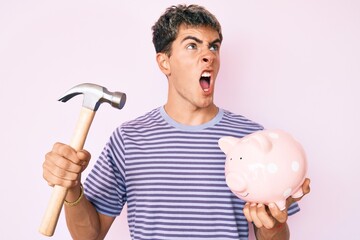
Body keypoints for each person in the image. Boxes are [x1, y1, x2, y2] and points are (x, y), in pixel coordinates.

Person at [43, 4, 310, 240]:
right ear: (164, 62)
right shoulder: (129, 138)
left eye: (214, 46)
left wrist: (273, 227)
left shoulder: (251, 137)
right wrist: (72, 187)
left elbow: (275, 235)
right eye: (192, 45)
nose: (209, 55)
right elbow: (88, 236)